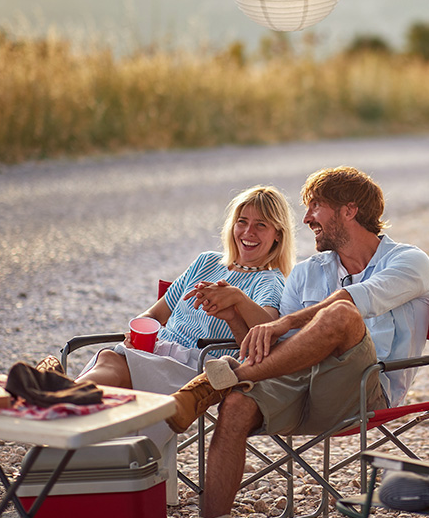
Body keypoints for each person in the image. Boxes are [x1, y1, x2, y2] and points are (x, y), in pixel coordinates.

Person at [166, 166, 429, 518]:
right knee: (236, 405)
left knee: (341, 315)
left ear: (349, 211)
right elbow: (278, 352)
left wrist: (287, 322)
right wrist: (234, 314)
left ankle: (221, 380)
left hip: (365, 391)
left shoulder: (410, 261)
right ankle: (214, 517)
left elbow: (354, 299)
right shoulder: (307, 271)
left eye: (316, 207)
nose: (306, 218)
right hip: (299, 386)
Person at [65, 185, 297, 450]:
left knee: (113, 369)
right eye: (242, 222)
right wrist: (138, 333)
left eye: (261, 225)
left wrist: (238, 299)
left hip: (197, 368)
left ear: (278, 235)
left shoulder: (270, 281)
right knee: (109, 357)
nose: (248, 232)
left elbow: (268, 330)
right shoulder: (206, 262)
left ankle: (57, 404)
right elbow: (156, 313)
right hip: (157, 350)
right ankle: (69, 415)